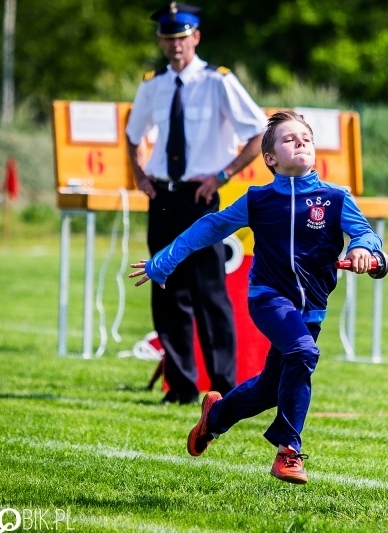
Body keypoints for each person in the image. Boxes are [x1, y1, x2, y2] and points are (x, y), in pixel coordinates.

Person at [130, 110, 385, 484]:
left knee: (270, 388)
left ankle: (214, 418)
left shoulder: (335, 198)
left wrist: (364, 249)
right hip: (268, 299)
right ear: (269, 158)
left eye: (306, 138)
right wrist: (163, 262)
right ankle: (289, 451)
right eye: (289, 139)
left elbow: (367, 235)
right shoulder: (258, 200)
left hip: (311, 310)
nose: (300, 142)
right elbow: (209, 227)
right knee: (303, 353)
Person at [125, 2, 267, 405]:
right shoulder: (152, 84)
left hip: (201, 198)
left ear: (196, 38)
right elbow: (134, 134)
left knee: (209, 293)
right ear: (160, 41)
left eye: (182, 38)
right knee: (166, 287)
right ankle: (181, 387)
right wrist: (138, 174)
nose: (175, 46)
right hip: (163, 195)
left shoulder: (217, 81)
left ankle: (222, 385)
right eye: (168, 39)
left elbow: (258, 134)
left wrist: (222, 175)